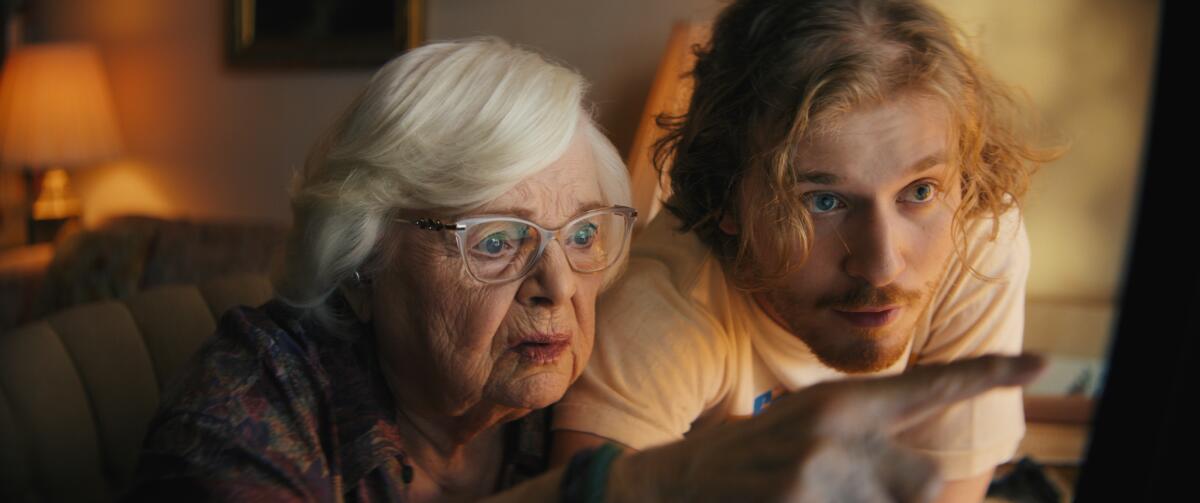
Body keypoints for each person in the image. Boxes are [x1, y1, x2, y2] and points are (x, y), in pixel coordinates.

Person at [125, 37, 1044, 503]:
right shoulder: (247, 407)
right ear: (363, 253)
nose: (559, 288)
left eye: (581, 236)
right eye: (495, 240)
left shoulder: (551, 405)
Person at [552, 0, 1058, 501]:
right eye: (824, 201)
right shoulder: (662, 309)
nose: (882, 266)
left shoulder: (976, 242)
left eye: (920, 191)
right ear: (724, 197)